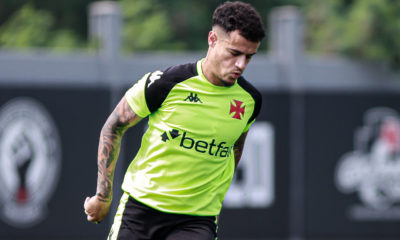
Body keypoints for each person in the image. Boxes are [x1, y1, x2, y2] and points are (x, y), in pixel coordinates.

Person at [84, 1, 265, 239]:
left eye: (249, 57)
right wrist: (103, 197)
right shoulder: (166, 83)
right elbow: (113, 127)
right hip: (140, 210)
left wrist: (215, 200)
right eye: (234, 53)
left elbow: (234, 148)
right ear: (212, 40)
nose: (241, 64)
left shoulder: (250, 100)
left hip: (197, 221)